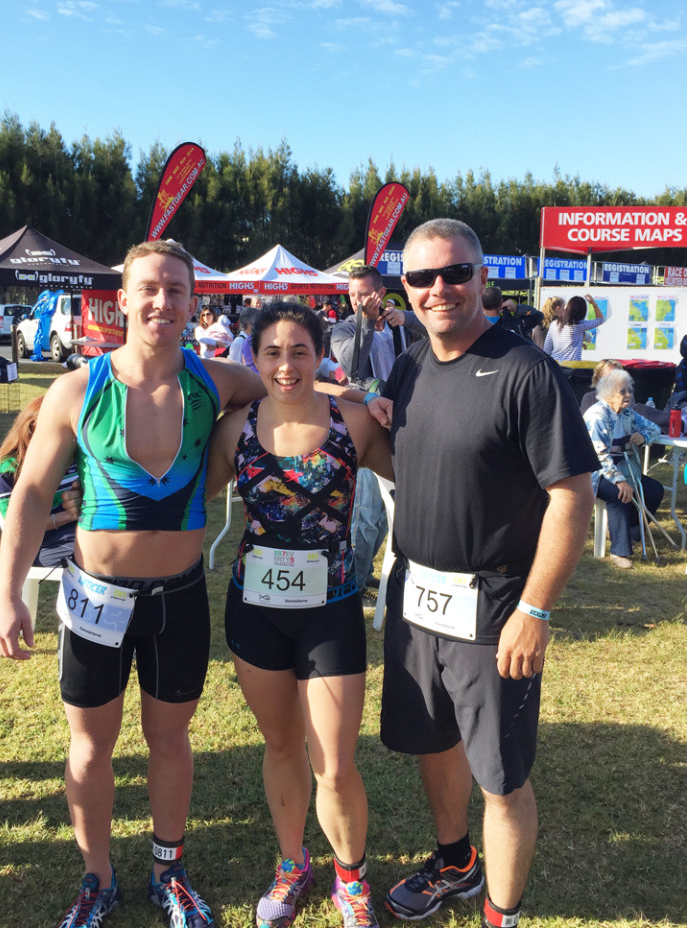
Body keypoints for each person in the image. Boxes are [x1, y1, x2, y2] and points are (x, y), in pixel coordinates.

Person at [0, 239, 265, 928]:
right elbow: (28, 495)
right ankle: (97, 876)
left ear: (193, 302)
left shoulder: (220, 380)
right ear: (123, 298)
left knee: (170, 742)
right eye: (149, 288)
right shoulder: (79, 389)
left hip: (178, 598)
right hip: (94, 601)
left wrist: (361, 403)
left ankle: (168, 871)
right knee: (90, 745)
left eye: (176, 289)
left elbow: (292, 392)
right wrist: (5, 593)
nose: (162, 301)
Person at [365, 219, 598, 928]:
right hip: (415, 594)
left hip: (495, 603)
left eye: (456, 273)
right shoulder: (408, 364)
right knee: (433, 742)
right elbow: (410, 463)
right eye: (422, 278)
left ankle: (503, 913)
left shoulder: (526, 369)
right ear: (403, 288)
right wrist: (362, 419)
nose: (441, 289)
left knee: (500, 774)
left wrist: (536, 610)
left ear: (481, 277)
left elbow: (572, 494)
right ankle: (456, 862)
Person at [205, 301, 393, 928]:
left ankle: (351, 876)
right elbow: (182, 491)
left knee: (334, 762)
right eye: (272, 353)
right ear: (253, 359)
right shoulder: (234, 429)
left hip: (332, 611)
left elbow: (424, 475)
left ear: (320, 355)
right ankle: (292, 865)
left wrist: (390, 409)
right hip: (254, 611)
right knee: (282, 744)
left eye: (300, 352)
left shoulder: (355, 423)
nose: (286, 365)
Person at [330, 264, 424, 598]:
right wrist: (367, 321)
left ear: (381, 293)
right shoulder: (343, 329)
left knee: (392, 510)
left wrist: (409, 320)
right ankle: (351, 585)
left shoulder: (399, 326)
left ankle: (364, 570)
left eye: (365, 295)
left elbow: (437, 334)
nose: (358, 301)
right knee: (368, 511)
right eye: (353, 295)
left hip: (404, 423)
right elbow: (353, 364)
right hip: (368, 425)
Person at [583, 368, 664, 570]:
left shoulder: (627, 413)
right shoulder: (597, 415)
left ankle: (631, 533)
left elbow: (653, 428)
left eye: (629, 390)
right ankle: (620, 551)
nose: (628, 395)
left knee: (654, 490)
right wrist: (619, 480)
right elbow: (599, 455)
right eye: (622, 392)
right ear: (609, 394)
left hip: (624, 468)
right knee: (619, 493)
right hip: (594, 472)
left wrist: (643, 436)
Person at [0, 394, 78, 568]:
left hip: (82, 530)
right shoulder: (7, 470)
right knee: (109, 556)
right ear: (31, 429)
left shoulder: (71, 457)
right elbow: (17, 527)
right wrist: (70, 515)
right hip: (43, 545)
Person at [543, 294, 605, 361]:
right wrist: (593, 303)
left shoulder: (554, 324)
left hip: (555, 365)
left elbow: (547, 349)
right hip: (571, 367)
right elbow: (600, 320)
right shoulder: (579, 325)